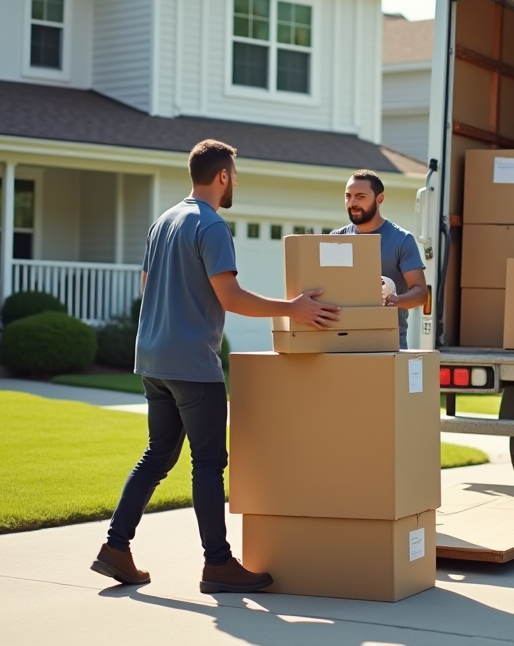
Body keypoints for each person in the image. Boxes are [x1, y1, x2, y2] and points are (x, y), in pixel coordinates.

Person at [91, 139, 340, 593]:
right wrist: (294, 309)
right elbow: (232, 298)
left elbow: (148, 285)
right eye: (234, 176)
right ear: (223, 175)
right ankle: (218, 564)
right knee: (208, 463)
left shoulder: (163, 221)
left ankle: (115, 548)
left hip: (152, 360)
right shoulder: (211, 226)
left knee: (157, 456)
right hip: (191, 365)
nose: (234, 184)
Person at [332, 169, 427, 350]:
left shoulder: (401, 240)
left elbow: (421, 293)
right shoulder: (336, 239)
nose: (352, 203)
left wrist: (396, 301)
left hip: (387, 343)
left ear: (380, 198)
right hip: (341, 341)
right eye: (348, 196)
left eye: (360, 196)